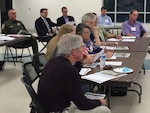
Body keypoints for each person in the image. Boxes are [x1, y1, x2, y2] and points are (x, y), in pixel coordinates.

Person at [37, 33, 111, 113]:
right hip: (58, 109)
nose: (85, 49)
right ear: (74, 52)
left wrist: (81, 61)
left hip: (50, 105)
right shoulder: (68, 70)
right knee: (104, 110)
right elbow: (82, 104)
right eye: (82, 47)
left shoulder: (55, 61)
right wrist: (99, 102)